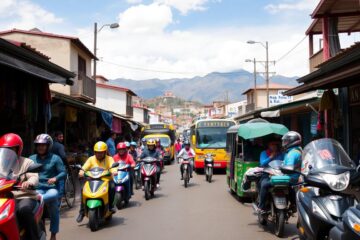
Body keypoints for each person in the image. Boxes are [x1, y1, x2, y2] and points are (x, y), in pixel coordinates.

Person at [0, 133, 40, 240]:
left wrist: (29, 183)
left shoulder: (27, 162)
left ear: (18, 149)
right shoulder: (1, 164)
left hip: (24, 195)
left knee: (24, 210)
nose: (9, 152)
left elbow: (34, 177)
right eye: (5, 150)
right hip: (5, 196)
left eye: (11, 149)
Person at [30, 134, 66, 240]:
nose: (40, 147)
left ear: (48, 146)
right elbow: (24, 172)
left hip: (51, 189)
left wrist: (55, 178)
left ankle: (53, 234)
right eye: (38, 145)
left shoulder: (56, 158)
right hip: (37, 189)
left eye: (43, 145)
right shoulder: (31, 159)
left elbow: (63, 172)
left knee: (54, 205)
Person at [258, 132, 302, 214]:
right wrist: (271, 157)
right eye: (272, 144)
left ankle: (293, 204)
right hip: (268, 174)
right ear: (268, 145)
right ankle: (261, 206)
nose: (274, 146)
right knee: (263, 185)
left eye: (276, 144)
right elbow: (262, 164)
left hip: (280, 174)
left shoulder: (283, 153)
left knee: (290, 187)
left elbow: (286, 163)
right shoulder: (264, 153)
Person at [76, 141, 117, 223]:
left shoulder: (109, 159)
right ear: (95, 152)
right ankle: (82, 211)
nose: (99, 154)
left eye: (101, 152)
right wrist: (81, 171)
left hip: (106, 180)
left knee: (112, 187)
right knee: (82, 189)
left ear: (105, 152)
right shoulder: (91, 159)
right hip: (92, 180)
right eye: (97, 152)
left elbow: (113, 167)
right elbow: (84, 167)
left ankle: (111, 206)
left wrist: (114, 171)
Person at [51, 131, 67, 199]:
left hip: (51, 166)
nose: (62, 138)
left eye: (62, 137)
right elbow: (63, 156)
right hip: (58, 167)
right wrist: (67, 164)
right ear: (56, 137)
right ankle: (60, 197)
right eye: (60, 137)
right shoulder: (60, 146)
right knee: (61, 179)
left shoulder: (50, 145)